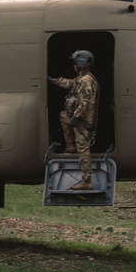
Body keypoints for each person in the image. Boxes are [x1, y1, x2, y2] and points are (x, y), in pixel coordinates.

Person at [49, 50, 100, 191]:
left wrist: (76, 117)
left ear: (81, 63)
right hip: (78, 118)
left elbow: (85, 102)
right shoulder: (81, 79)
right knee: (63, 115)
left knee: (83, 149)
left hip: (82, 120)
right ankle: (70, 146)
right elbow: (70, 83)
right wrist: (54, 81)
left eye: (75, 63)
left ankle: (86, 181)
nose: (73, 66)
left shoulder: (86, 81)